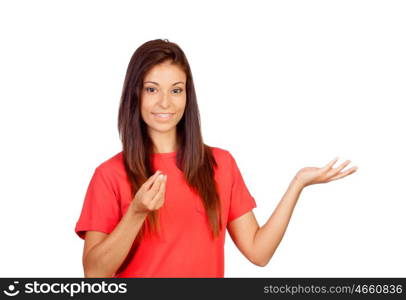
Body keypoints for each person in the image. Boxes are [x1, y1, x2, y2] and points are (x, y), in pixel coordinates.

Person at [74, 39, 358, 278]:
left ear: (188, 95)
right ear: (135, 94)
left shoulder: (220, 164)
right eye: (152, 89)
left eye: (176, 90)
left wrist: (298, 183)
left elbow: (259, 253)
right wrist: (136, 213)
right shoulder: (110, 174)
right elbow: (94, 274)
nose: (165, 102)